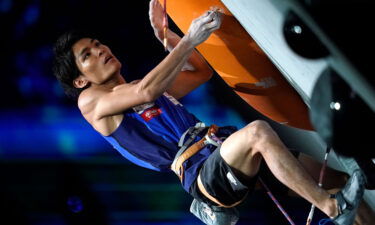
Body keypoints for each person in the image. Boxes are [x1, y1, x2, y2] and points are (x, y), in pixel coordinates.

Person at [52, 0, 366, 224]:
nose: (101, 49)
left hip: (221, 152)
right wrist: (190, 38)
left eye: (97, 43)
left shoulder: (143, 91)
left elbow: (200, 72)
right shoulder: (91, 103)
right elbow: (145, 90)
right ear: (80, 80)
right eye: (88, 55)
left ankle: (342, 207)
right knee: (258, 132)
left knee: (345, 181)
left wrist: (164, 36)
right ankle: (331, 209)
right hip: (202, 175)